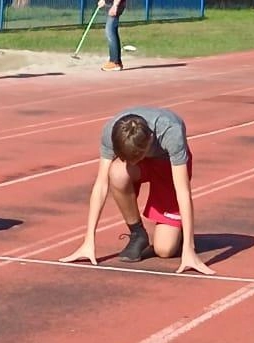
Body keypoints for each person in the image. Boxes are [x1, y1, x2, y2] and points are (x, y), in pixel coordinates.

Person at [60, 107, 213, 275]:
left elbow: (183, 191)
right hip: (142, 165)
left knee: (165, 250)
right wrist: (88, 240)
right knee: (117, 173)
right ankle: (138, 234)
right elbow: (101, 184)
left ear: (151, 140)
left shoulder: (171, 132)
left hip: (167, 166)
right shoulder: (112, 132)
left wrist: (189, 249)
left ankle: (180, 233)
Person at [98, 0, 125, 71]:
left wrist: (115, 5)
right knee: (112, 31)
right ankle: (117, 61)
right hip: (113, 4)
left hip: (115, 4)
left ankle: (114, 62)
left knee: (110, 31)